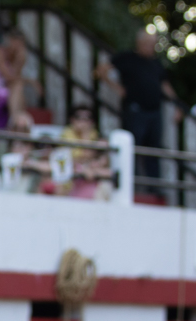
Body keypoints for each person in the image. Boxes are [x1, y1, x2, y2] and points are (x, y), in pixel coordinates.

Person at [96, 29, 180, 182]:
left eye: (152, 44)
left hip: (154, 112)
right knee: (132, 148)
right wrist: (117, 88)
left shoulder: (156, 63)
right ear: (139, 43)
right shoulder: (127, 58)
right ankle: (131, 184)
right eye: (147, 44)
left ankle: (155, 187)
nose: (150, 47)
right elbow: (101, 70)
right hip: (135, 111)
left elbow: (164, 85)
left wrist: (177, 105)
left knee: (153, 151)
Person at [56, 106, 112, 199]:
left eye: (87, 118)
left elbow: (103, 161)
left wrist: (85, 135)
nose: (83, 122)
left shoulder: (97, 137)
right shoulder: (65, 136)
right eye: (79, 117)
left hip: (90, 180)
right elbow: (65, 160)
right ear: (72, 120)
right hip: (69, 182)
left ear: (92, 122)